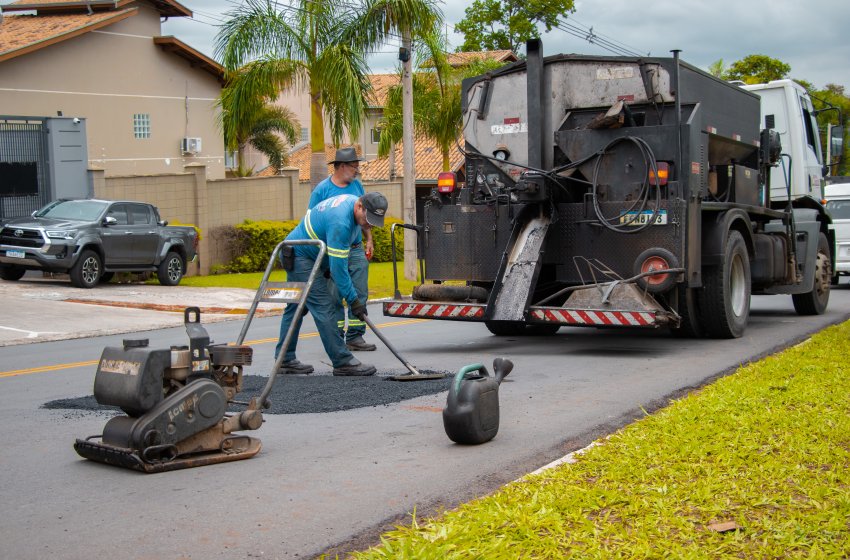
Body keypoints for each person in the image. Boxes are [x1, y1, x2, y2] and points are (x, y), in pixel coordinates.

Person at [273, 192, 388, 376]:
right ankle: (343, 361)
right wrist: (354, 301)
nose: (368, 224)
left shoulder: (352, 209)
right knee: (323, 306)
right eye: (368, 218)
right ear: (360, 206)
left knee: (296, 308)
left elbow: (334, 259)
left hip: (306, 254)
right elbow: (339, 271)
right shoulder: (341, 222)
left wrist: (328, 269)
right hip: (299, 256)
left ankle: (284, 359)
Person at [308, 147, 376, 352]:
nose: (357, 171)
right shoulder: (322, 190)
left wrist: (369, 240)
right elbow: (312, 220)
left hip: (354, 248)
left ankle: (355, 336)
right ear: (342, 166)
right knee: (335, 294)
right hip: (332, 250)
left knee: (359, 291)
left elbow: (365, 217)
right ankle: (338, 337)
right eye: (354, 167)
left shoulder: (357, 186)